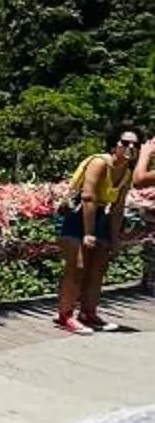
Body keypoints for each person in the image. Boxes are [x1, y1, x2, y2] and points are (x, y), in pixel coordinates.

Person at [56, 124, 147, 332]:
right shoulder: (99, 163)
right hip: (78, 213)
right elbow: (88, 197)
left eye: (135, 144)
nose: (130, 147)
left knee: (98, 267)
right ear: (114, 146)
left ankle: (89, 311)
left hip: (99, 216)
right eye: (125, 143)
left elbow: (118, 207)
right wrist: (88, 233)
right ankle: (65, 314)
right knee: (77, 267)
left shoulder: (127, 172)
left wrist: (115, 238)